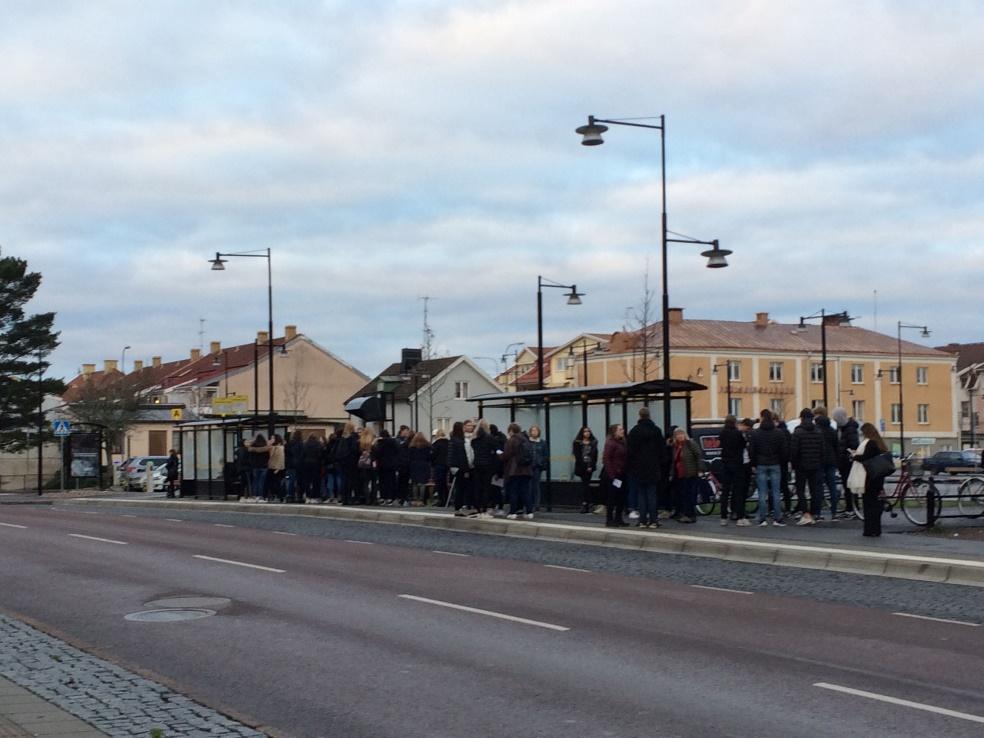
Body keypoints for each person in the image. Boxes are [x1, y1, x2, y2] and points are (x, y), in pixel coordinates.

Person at [626, 407, 664, 528]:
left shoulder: (634, 431)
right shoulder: (656, 431)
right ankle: (653, 520)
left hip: (639, 468)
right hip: (653, 467)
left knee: (641, 494)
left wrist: (632, 467)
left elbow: (630, 451)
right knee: (652, 494)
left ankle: (642, 520)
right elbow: (662, 451)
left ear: (639, 415)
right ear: (649, 415)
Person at [749, 409, 787, 526]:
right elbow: (783, 450)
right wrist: (782, 462)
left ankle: (762, 518)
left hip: (761, 463)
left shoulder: (756, 433)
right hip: (775, 463)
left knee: (762, 492)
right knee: (776, 492)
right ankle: (777, 518)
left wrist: (753, 464)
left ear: (761, 418)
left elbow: (752, 450)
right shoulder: (779, 432)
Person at [852, 423, 890, 536]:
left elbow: (865, 458)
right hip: (879, 477)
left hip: (870, 477)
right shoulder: (879, 443)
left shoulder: (870, 443)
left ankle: (869, 529)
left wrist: (854, 456)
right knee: (876, 503)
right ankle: (876, 529)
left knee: (868, 504)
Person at [791, 408, 824, 526]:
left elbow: (794, 450)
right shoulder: (818, 431)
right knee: (814, 490)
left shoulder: (798, 431)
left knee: (800, 490)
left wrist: (794, 464)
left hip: (801, 465)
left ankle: (805, 513)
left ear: (801, 418)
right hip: (815, 464)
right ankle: (815, 513)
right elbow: (822, 449)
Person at [718, 416, 748, 526]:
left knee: (725, 491)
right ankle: (740, 517)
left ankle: (723, 517)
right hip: (737, 464)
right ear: (735, 422)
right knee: (738, 490)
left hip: (725, 464)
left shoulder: (722, 433)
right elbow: (743, 445)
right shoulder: (737, 433)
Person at [833, 406, 861, 518]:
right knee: (848, 486)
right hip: (844, 461)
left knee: (850, 486)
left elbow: (853, 445)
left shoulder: (848, 429)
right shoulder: (844, 428)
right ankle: (851, 507)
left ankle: (852, 508)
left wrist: (845, 453)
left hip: (847, 462)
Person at [814, 407, 841, 521]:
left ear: (818, 415)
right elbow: (837, 447)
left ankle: (818, 513)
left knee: (818, 487)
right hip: (831, 461)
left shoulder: (816, 430)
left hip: (819, 461)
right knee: (832, 487)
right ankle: (834, 513)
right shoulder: (832, 430)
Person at [502, 423, 534, 519]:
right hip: (526, 470)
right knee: (525, 491)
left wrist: (499, 454)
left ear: (511, 430)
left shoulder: (512, 440)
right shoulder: (526, 439)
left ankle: (513, 512)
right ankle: (529, 512)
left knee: (514, 491)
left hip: (514, 470)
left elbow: (506, 455)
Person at [671, 428, 702, 523]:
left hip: (690, 472)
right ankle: (683, 513)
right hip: (679, 473)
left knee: (689, 494)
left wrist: (700, 469)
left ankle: (691, 515)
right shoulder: (676, 446)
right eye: (678, 434)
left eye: (681, 434)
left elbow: (698, 455)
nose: (680, 436)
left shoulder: (690, 444)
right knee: (682, 494)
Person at [602, 424, 627, 527]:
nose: (623, 431)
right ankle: (609, 519)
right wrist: (612, 475)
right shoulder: (611, 443)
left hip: (622, 473)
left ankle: (618, 518)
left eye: (622, 429)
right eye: (620, 429)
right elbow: (606, 459)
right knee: (612, 497)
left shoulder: (622, 442)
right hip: (613, 475)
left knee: (621, 497)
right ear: (614, 431)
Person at [470, 419, 496, 518]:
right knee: (486, 487)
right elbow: (496, 450)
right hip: (487, 464)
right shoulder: (490, 438)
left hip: (477, 464)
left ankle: (477, 508)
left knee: (477, 487)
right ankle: (484, 509)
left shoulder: (474, 439)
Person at [449, 421, 474, 516]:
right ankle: (460, 507)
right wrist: (466, 469)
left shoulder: (453, 440)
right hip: (461, 467)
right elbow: (463, 456)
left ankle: (458, 507)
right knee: (462, 488)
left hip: (454, 466)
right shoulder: (460, 441)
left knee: (459, 488)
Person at [572, 427, 598, 514]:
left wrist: (591, 465)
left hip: (589, 466)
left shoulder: (593, 442)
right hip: (581, 466)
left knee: (586, 485)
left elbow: (594, 455)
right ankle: (587, 503)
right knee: (585, 485)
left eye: (588, 431)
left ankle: (586, 503)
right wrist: (583, 466)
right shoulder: (577, 443)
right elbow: (577, 456)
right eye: (585, 432)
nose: (587, 433)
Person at [372, 429, 400, 504]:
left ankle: (383, 497)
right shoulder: (393, 442)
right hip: (391, 464)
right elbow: (398, 451)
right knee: (391, 481)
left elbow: (376, 452)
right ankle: (391, 497)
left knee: (382, 481)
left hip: (382, 465)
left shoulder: (379, 443)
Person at [408, 432, 432, 506]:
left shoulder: (412, 446)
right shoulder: (427, 446)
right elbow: (429, 457)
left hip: (414, 465)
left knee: (415, 483)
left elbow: (409, 457)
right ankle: (421, 500)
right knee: (422, 483)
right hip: (424, 465)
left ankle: (415, 500)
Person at [246, 433, 270, 503]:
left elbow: (250, 458)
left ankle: (254, 496)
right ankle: (260, 496)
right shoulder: (266, 447)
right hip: (264, 466)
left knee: (255, 481)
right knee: (261, 482)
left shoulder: (252, 447)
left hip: (255, 466)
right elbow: (268, 457)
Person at [300, 433, 323, 503]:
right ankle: (315, 497)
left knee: (307, 481)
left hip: (306, 464)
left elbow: (302, 455)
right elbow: (320, 455)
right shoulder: (319, 444)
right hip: (316, 464)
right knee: (316, 481)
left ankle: (308, 497)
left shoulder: (305, 444)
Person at [528, 424, 547, 511]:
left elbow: (545, 454)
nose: (534, 432)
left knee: (536, 486)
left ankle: (537, 504)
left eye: (536, 430)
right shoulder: (528, 442)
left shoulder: (542, 442)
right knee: (529, 486)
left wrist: (542, 463)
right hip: (529, 466)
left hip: (537, 466)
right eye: (532, 430)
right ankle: (529, 503)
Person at [357, 428, 377, 504]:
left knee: (365, 482)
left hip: (364, 465)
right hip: (373, 464)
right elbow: (377, 452)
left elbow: (358, 452)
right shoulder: (373, 442)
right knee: (374, 482)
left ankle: (367, 499)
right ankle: (374, 499)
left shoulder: (360, 442)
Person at [430, 429, 449, 506]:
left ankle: (441, 500)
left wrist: (432, 464)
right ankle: (447, 498)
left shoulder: (436, 444)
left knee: (439, 483)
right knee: (445, 483)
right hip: (447, 465)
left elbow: (432, 455)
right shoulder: (448, 443)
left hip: (438, 465)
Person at [285, 430, 304, 503]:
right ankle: (298, 496)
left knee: (290, 480)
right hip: (299, 465)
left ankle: (289, 495)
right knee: (298, 481)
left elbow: (286, 455)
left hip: (290, 465)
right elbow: (302, 454)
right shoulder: (301, 444)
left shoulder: (289, 444)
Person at [268, 434, 285, 502]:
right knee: (273, 483)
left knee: (277, 483)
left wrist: (278, 468)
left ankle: (278, 496)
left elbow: (281, 459)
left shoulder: (280, 448)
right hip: (271, 467)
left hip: (277, 468)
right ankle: (275, 495)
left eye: (273, 438)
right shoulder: (273, 447)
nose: (271, 440)